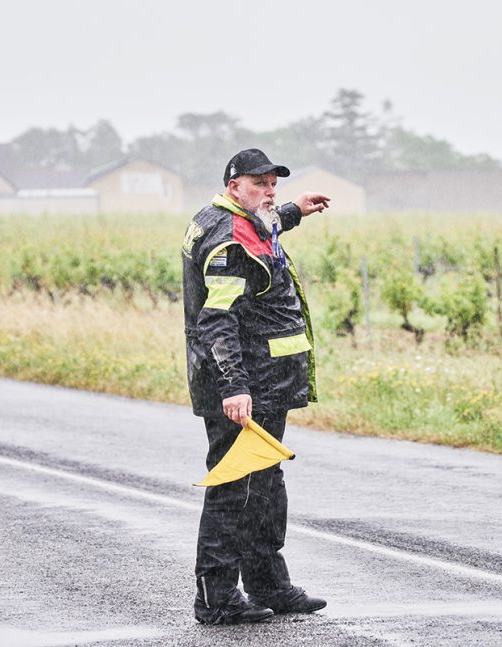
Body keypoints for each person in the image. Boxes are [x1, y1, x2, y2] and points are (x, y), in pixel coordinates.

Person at [181, 148, 331, 625]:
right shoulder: (228, 240)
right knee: (234, 490)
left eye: (274, 184)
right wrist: (234, 387)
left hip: (267, 382)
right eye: (259, 184)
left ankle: (269, 586)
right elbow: (217, 320)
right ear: (233, 188)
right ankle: (216, 600)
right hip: (242, 386)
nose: (270, 192)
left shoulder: (243, 220)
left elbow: (264, 225)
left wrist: (294, 211)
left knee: (265, 486)